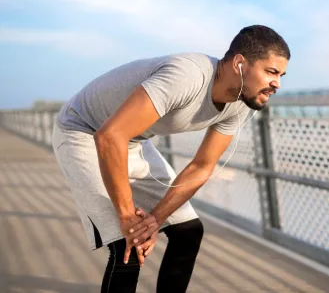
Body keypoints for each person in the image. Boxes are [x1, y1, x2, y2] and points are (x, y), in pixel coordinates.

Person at [51, 24, 290, 292]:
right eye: (271, 72)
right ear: (239, 63)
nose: (277, 83)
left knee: (188, 231)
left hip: (131, 138)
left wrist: (155, 218)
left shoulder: (242, 101)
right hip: (83, 131)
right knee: (128, 243)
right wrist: (129, 217)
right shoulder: (187, 76)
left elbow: (202, 166)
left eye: (281, 75)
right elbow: (109, 137)